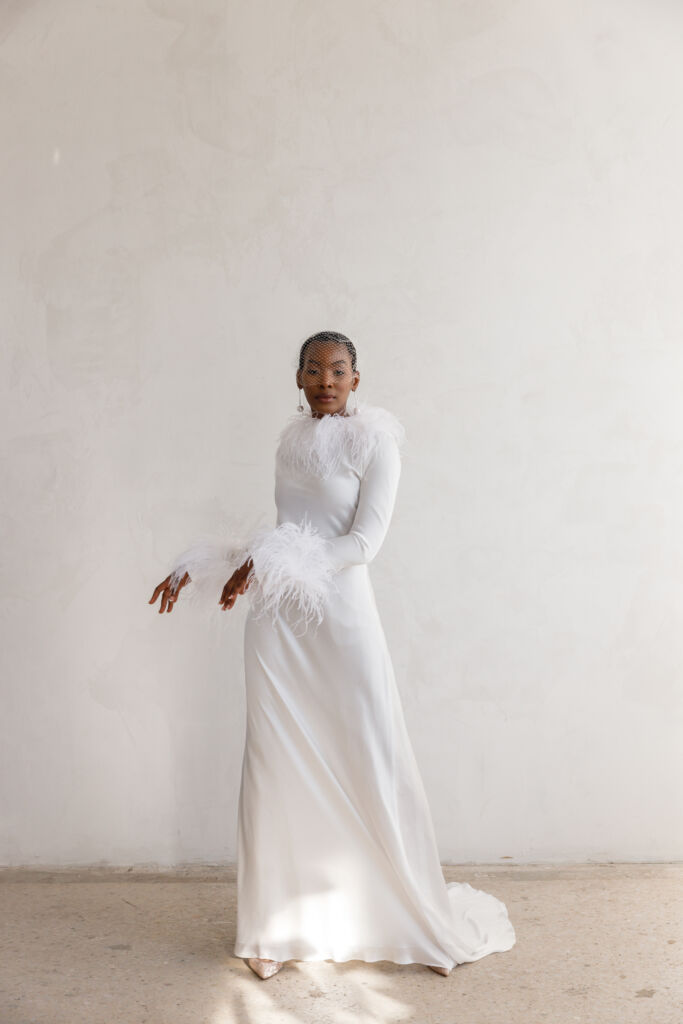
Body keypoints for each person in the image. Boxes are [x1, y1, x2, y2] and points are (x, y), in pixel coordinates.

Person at [149, 331, 516, 980]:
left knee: (370, 752)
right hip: (277, 625)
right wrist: (206, 565)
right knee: (274, 763)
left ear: (355, 379)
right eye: (313, 369)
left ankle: (411, 913)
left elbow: (363, 544)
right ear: (298, 378)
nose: (325, 380)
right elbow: (284, 532)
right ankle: (271, 929)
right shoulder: (290, 442)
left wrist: (272, 561)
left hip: (342, 619)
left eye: (338, 370)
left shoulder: (376, 444)